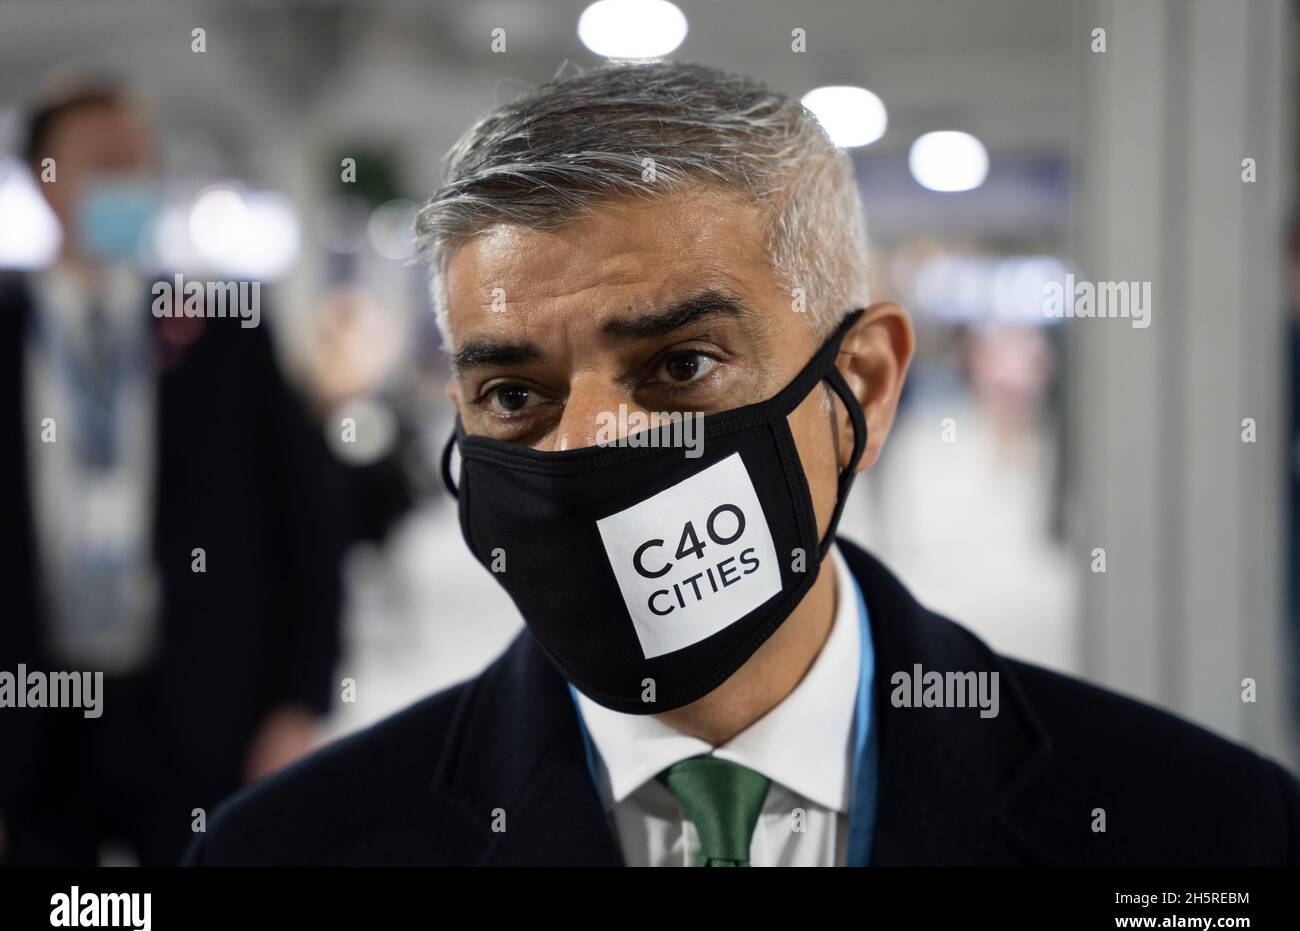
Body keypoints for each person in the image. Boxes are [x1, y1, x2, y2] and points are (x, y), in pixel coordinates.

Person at [184, 61, 1298, 866]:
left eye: (679, 366)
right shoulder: (286, 850)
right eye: (514, 394)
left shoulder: (1207, 832)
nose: (588, 445)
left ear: (860, 380)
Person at [0, 80, 345, 864]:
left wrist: (299, 702)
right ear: (44, 181)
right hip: (29, 716)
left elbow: (308, 520)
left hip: (199, 704)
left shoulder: (223, 330)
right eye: (105, 162)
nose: (131, 182)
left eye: (141, 162)